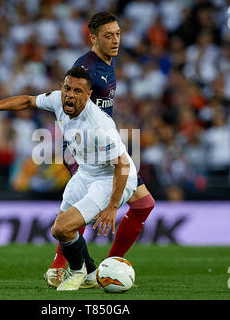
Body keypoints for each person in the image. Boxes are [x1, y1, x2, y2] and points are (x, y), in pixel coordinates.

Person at [0, 66, 139, 291]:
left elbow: (123, 166)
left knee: (62, 228)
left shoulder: (99, 125)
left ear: (88, 95)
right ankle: (91, 274)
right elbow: (27, 101)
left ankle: (76, 273)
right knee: (61, 228)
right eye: (67, 88)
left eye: (77, 91)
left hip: (111, 179)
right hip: (86, 173)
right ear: (61, 87)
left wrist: (113, 206)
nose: (70, 95)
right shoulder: (58, 100)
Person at [45, 12, 155, 288]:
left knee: (144, 204)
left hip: (102, 147)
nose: (115, 39)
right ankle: (62, 267)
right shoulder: (88, 70)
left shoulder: (106, 63)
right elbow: (70, 108)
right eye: (108, 35)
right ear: (93, 38)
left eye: (118, 33)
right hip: (83, 149)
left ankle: (107, 266)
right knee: (83, 203)